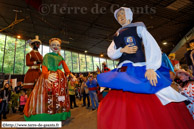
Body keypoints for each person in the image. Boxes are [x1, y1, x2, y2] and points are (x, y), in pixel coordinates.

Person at [97, 7, 194, 129]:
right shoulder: (116, 34)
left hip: (139, 66)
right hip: (123, 69)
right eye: (118, 16)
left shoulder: (138, 27)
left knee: (152, 91)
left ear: (128, 15)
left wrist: (151, 68)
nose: (120, 17)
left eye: (123, 14)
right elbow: (110, 53)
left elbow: (151, 44)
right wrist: (122, 50)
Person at [24, 38, 71, 121]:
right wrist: (46, 74)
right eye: (35, 44)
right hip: (44, 74)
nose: (37, 45)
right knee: (42, 93)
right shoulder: (35, 55)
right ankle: (43, 110)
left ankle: (61, 111)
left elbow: (65, 67)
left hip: (58, 78)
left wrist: (70, 74)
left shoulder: (58, 57)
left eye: (58, 45)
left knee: (60, 95)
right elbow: (43, 66)